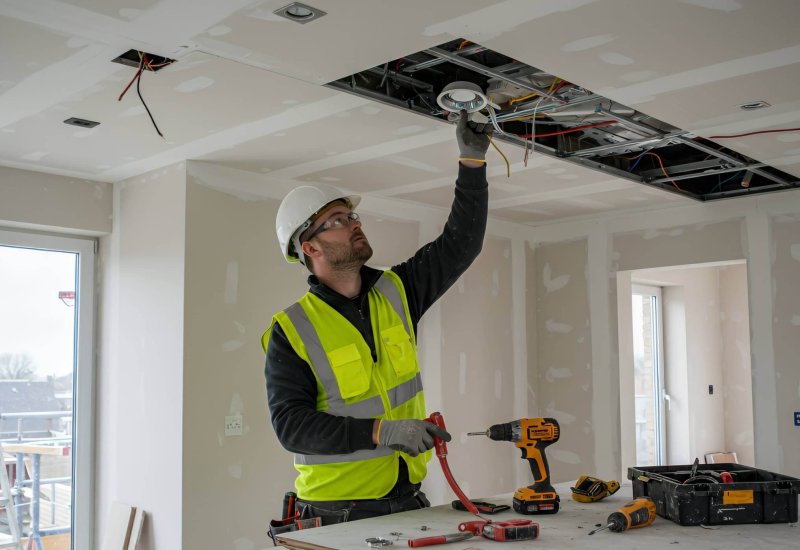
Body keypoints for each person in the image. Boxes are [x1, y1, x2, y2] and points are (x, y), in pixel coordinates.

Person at [262, 111, 491, 524]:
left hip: (406, 503)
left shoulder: (398, 291)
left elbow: (460, 245)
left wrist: (472, 163)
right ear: (309, 248)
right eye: (335, 221)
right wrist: (379, 432)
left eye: (351, 216)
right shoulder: (291, 330)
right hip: (337, 515)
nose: (353, 225)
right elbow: (292, 427)